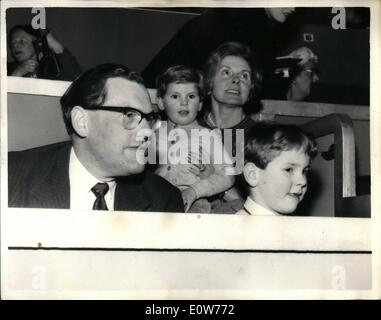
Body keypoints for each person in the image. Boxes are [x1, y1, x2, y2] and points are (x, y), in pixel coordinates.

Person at [8, 63, 184, 212]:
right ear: (81, 121)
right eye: (130, 114)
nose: (147, 131)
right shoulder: (10, 177)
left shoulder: (164, 200)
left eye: (150, 118)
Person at [154, 65, 234, 213]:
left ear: (200, 104)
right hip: (157, 200)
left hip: (193, 203)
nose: (184, 102)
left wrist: (194, 191)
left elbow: (228, 175)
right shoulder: (155, 135)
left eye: (191, 96)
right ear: (160, 102)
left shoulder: (208, 136)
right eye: (175, 96)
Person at [236, 122, 317, 215]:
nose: (303, 181)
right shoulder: (234, 227)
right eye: (289, 170)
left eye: (304, 171)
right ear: (252, 175)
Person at [7, 24, 81, 81]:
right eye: (13, 43)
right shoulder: (6, 68)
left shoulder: (52, 68)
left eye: (22, 41)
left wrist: (58, 47)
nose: (16, 46)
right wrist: (17, 74)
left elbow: (78, 80)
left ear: (36, 42)